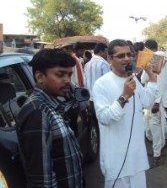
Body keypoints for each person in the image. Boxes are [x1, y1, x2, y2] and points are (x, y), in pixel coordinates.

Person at [92, 39, 158, 188]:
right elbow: (104, 118)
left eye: (130, 54)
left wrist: (152, 79)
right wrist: (124, 97)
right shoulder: (101, 84)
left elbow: (147, 102)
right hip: (116, 159)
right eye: (121, 56)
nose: (127, 59)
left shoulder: (133, 78)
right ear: (110, 59)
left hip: (136, 158)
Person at [16, 49, 84, 187]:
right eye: (60, 75)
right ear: (40, 77)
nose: (67, 81)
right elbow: (42, 179)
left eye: (69, 75)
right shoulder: (38, 112)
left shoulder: (53, 104)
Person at [141, 39, 167, 168]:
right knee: (156, 127)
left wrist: (155, 102)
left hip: (154, 99)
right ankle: (158, 151)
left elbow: (145, 78)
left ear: (147, 48)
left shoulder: (152, 58)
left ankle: (157, 155)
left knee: (153, 128)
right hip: (162, 98)